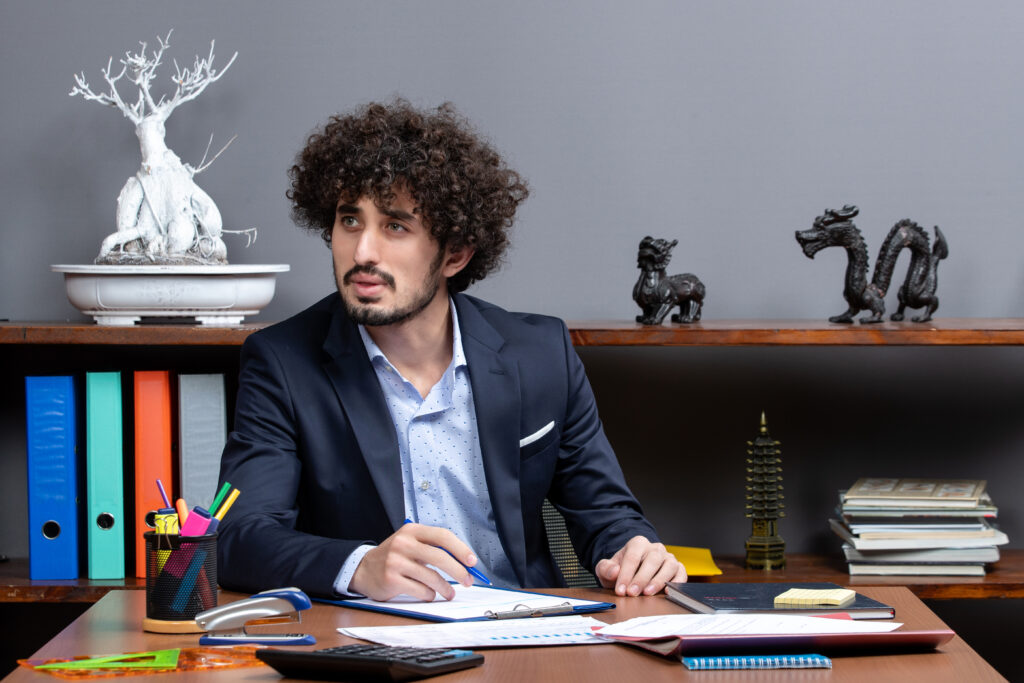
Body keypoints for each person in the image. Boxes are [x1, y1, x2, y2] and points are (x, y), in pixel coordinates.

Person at [217, 99, 686, 602]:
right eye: (350, 221)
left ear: (455, 254)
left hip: (528, 641)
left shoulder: (541, 354)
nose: (363, 252)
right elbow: (238, 538)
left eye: (395, 226)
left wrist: (636, 551)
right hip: (374, 643)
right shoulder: (282, 361)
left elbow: (607, 515)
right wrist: (360, 566)